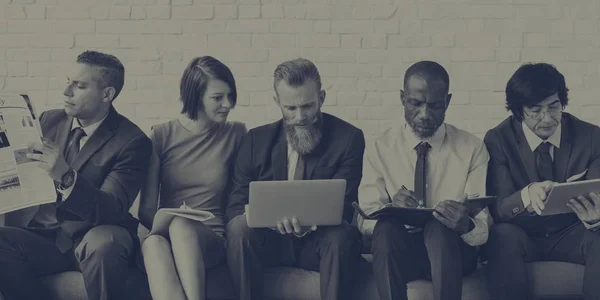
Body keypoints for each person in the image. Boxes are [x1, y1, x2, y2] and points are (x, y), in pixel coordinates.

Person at [0, 50, 152, 300]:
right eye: (67, 81)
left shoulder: (132, 141)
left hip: (93, 236)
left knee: (105, 242)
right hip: (46, 236)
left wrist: (65, 175)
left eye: (79, 86)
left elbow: (112, 208)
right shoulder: (49, 120)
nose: (66, 91)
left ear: (107, 94)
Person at [225, 58, 365, 300]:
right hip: (269, 243)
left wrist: (306, 225)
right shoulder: (255, 141)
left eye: (308, 106)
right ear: (277, 102)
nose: (300, 116)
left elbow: (344, 207)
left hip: (318, 245)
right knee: (238, 228)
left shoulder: (348, 138)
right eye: (290, 108)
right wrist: (261, 217)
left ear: (321, 98)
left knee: (344, 235)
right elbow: (235, 205)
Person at [358, 61, 492, 300]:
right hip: (401, 253)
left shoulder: (472, 148)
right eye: (415, 103)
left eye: (435, 106)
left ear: (448, 102)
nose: (424, 115)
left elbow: (482, 230)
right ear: (402, 98)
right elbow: (365, 221)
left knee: (439, 227)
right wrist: (391, 210)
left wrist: (465, 224)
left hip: (453, 254)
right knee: (386, 228)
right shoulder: (380, 147)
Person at [484, 62, 600, 300]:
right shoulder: (498, 139)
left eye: (554, 107)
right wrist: (527, 195)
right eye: (535, 110)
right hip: (523, 235)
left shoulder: (591, 137)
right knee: (502, 235)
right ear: (518, 111)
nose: (547, 118)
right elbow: (498, 209)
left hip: (573, 232)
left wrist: (595, 219)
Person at [139, 56, 246, 300]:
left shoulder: (236, 133)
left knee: (183, 226)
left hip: (211, 236)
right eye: (217, 98)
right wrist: (168, 217)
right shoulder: (161, 135)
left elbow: (240, 195)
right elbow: (146, 210)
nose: (228, 104)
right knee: (153, 244)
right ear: (196, 96)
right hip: (165, 231)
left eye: (230, 95)